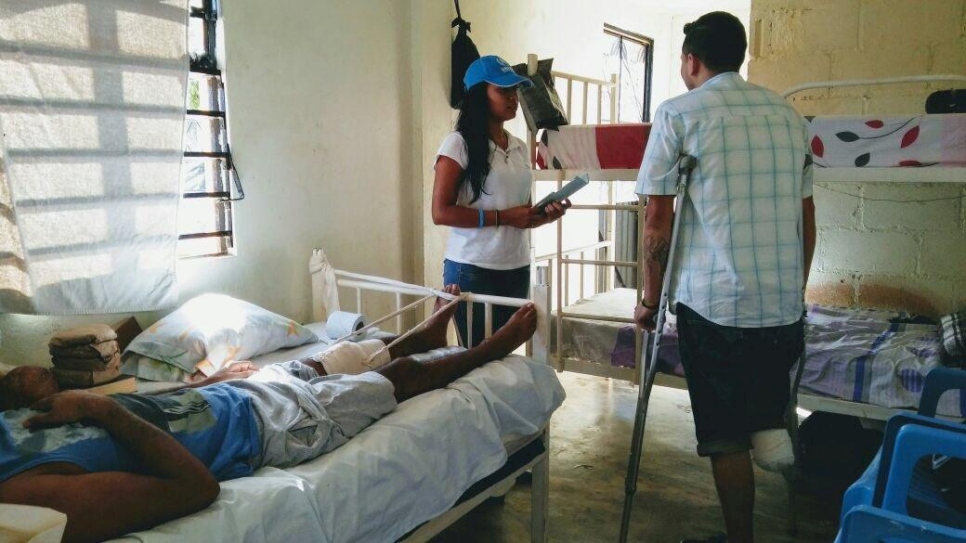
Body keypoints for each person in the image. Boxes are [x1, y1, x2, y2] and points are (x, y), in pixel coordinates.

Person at [0, 287, 538, 543]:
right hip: (267, 431)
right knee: (397, 382)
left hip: (238, 396)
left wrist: (209, 384)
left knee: (326, 359)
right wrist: (99, 407)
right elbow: (196, 489)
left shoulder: (9, 429)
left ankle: (417, 337)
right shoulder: (30, 496)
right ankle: (490, 350)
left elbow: (128, 412)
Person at [632, 12, 816, 543]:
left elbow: (656, 222)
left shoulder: (678, 115)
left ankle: (742, 538)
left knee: (723, 436)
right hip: (782, 308)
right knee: (760, 405)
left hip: (715, 308)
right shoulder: (789, 118)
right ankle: (771, 434)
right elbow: (807, 221)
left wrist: (648, 300)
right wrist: (794, 290)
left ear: (692, 60)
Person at [432, 54, 570, 347]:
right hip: (472, 269)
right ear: (479, 95)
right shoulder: (458, 144)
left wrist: (546, 215)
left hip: (515, 266)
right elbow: (440, 212)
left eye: (514, 90)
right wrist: (504, 217)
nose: (513, 98)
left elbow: (522, 213)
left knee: (505, 356)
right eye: (502, 90)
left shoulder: (519, 148)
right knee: (478, 358)